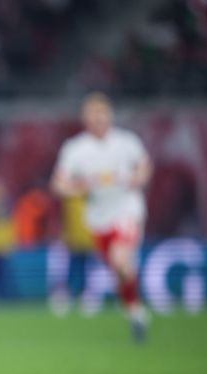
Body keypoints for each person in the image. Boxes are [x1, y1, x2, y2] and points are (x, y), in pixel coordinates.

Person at [51, 92, 152, 340]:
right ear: (85, 119)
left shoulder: (126, 142)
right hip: (98, 217)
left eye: (102, 114)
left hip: (127, 207)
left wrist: (139, 177)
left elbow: (144, 165)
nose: (99, 119)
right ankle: (136, 312)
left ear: (110, 116)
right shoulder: (75, 148)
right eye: (93, 115)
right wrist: (78, 188)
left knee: (120, 260)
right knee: (119, 270)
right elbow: (59, 184)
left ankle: (133, 303)